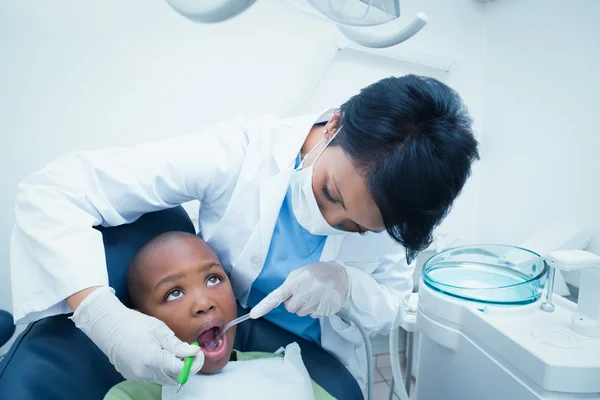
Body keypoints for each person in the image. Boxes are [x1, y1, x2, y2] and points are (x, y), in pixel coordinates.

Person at [10, 75, 480, 391]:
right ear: (334, 124)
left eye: (358, 227)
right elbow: (52, 191)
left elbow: (393, 308)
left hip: (313, 361)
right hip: (230, 340)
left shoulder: (402, 208)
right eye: (331, 193)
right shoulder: (238, 153)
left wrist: (349, 285)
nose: (331, 222)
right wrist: (102, 316)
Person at [104, 231, 333, 399]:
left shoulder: (282, 368)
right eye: (174, 293)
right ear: (141, 323)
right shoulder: (129, 396)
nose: (204, 303)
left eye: (213, 279)